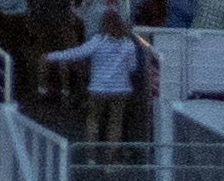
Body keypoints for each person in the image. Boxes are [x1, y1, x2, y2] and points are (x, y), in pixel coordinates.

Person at [42, 12, 146, 144]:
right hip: (120, 89)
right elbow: (132, 67)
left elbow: (77, 53)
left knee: (93, 121)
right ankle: (111, 160)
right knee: (115, 123)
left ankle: (91, 157)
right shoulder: (128, 44)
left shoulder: (97, 40)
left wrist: (50, 56)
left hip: (98, 88)